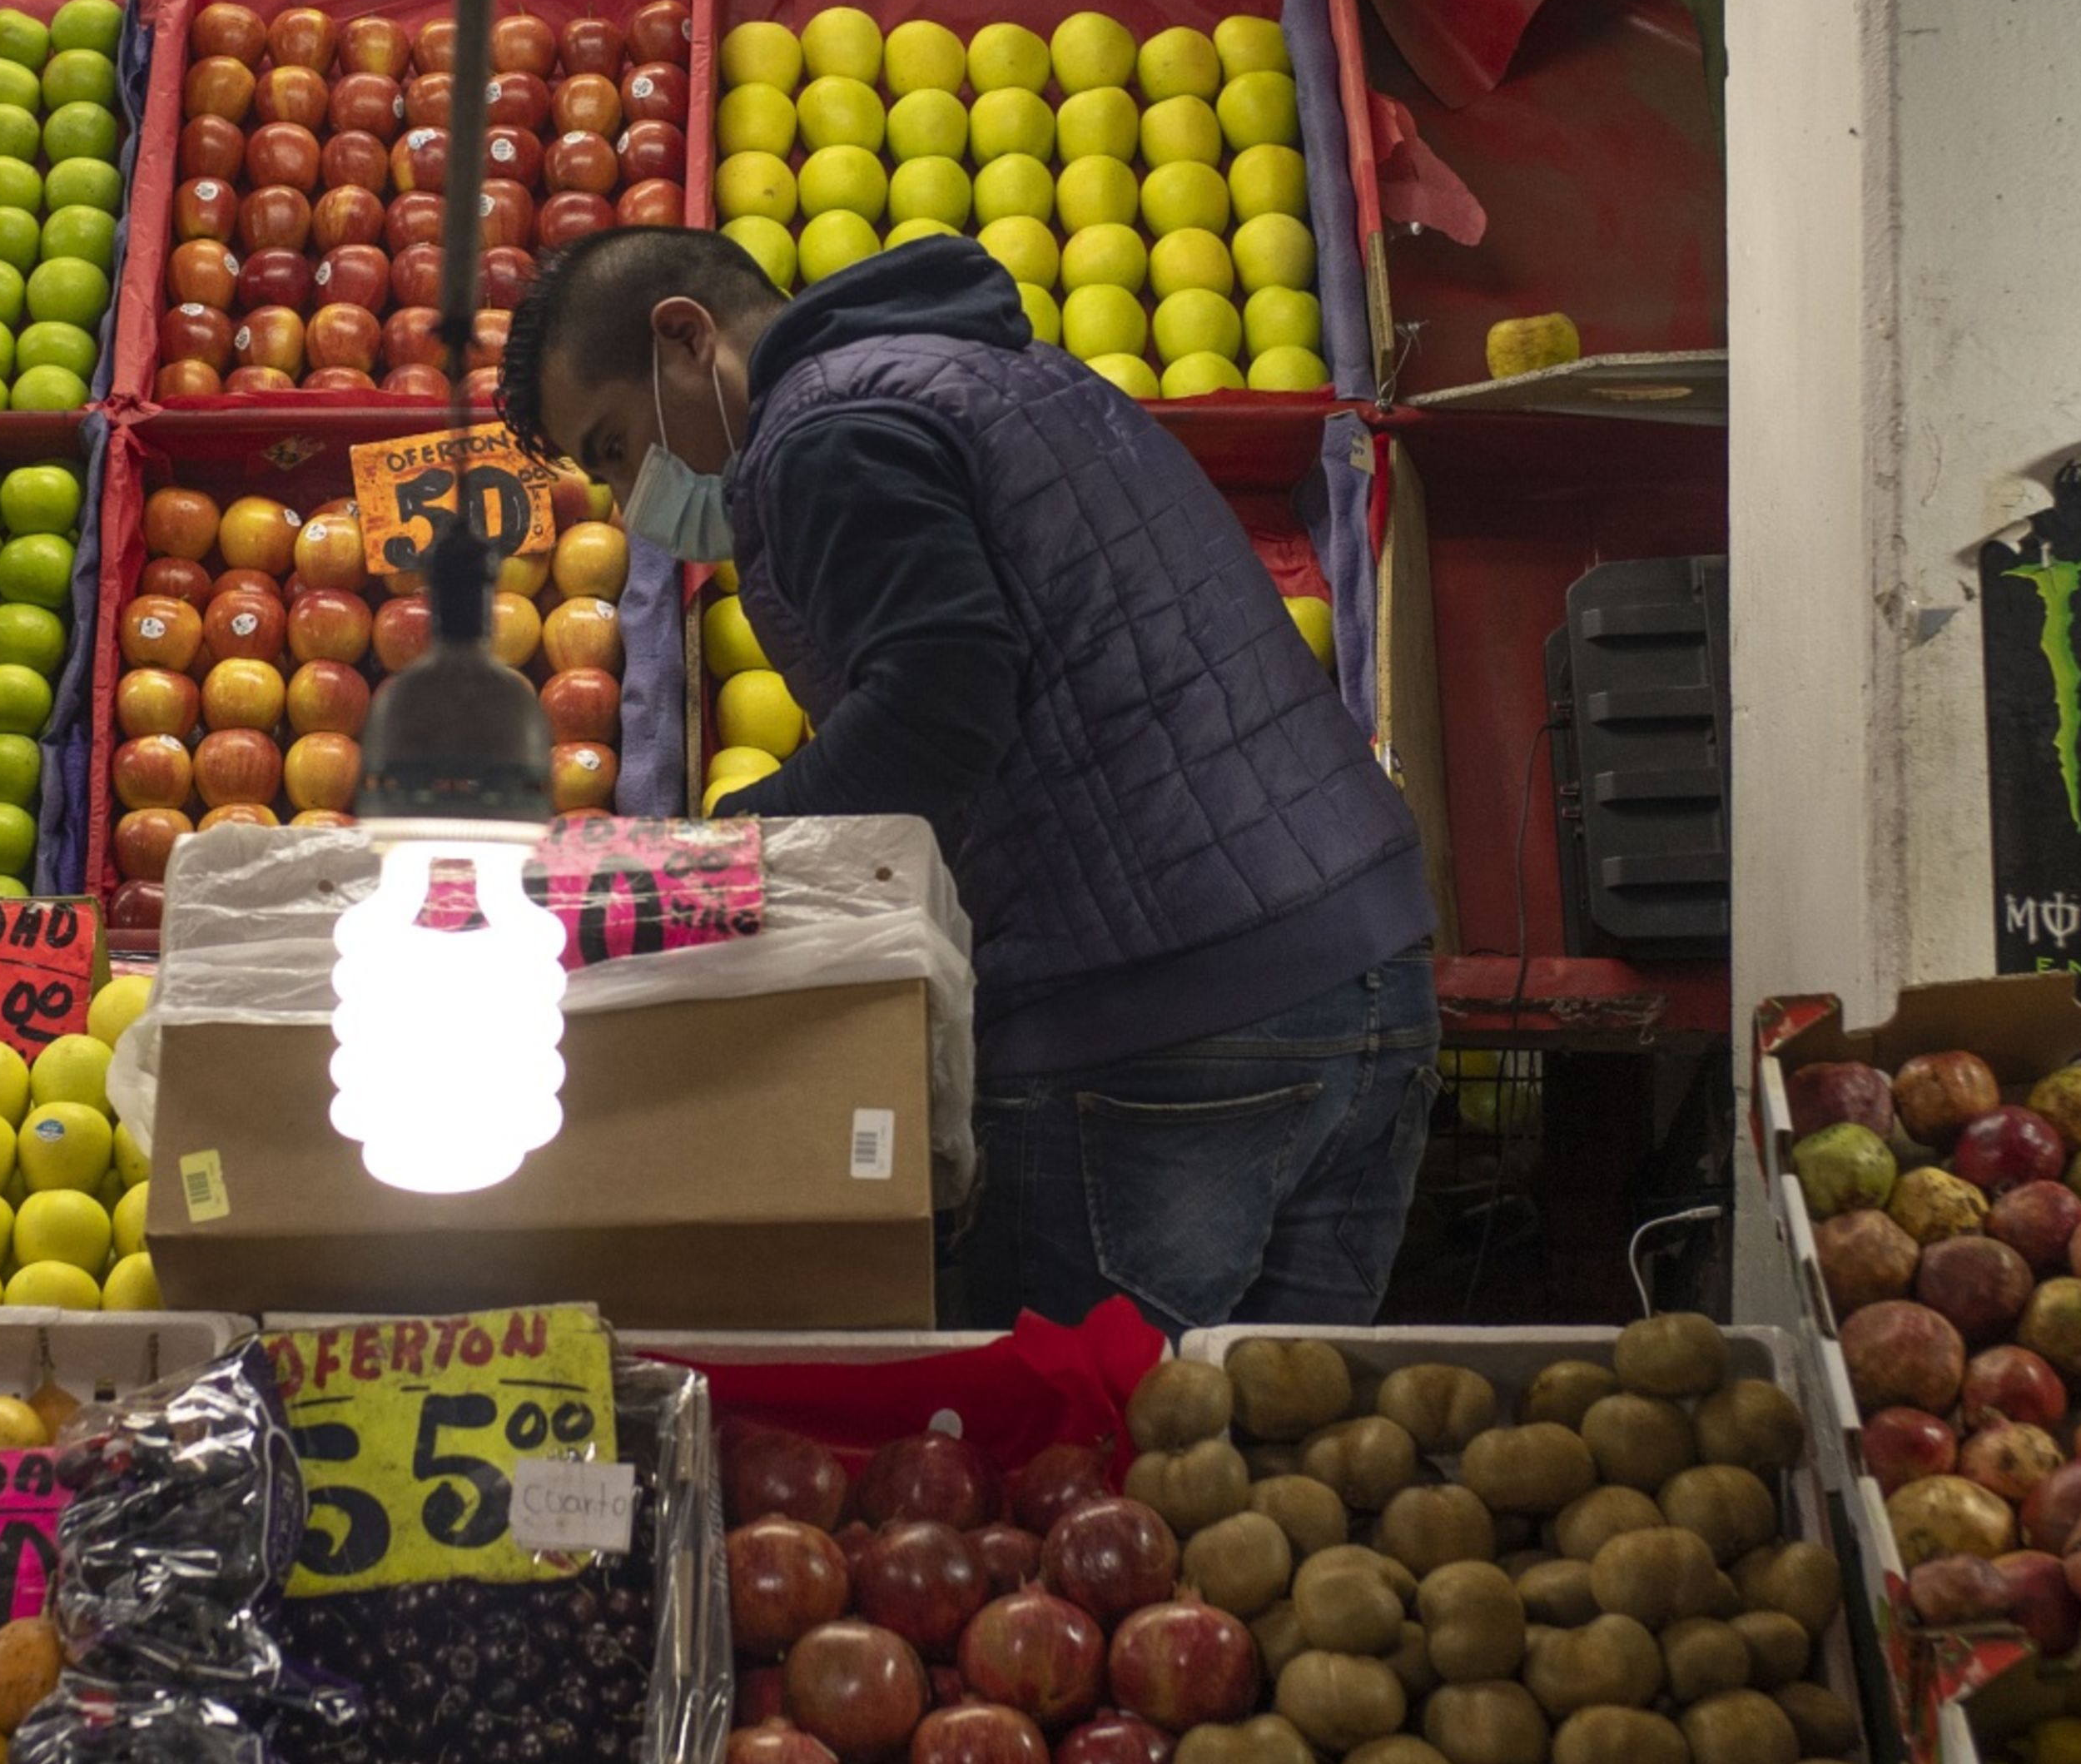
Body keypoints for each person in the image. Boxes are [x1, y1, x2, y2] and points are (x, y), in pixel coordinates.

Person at [497, 226, 1438, 1329]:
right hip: (1371, 963)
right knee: (1281, 1423)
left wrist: (714, 856)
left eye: (616, 447)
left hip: (1165, 1026)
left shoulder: (820, 434)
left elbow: (936, 706)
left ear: (685, 337)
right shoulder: (1015, 373)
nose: (630, 500)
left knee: (1081, 1428)